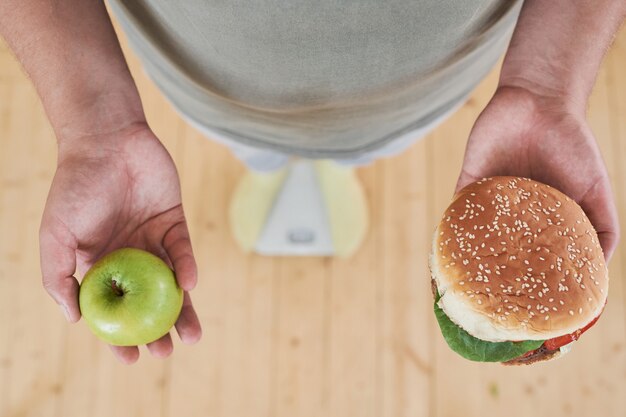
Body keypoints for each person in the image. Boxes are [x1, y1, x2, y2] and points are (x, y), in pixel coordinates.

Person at [0, 0, 622, 364]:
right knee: (258, 154)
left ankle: (336, 159)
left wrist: (546, 87)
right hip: (207, 91)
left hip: (423, 97)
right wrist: (93, 125)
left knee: (366, 151)